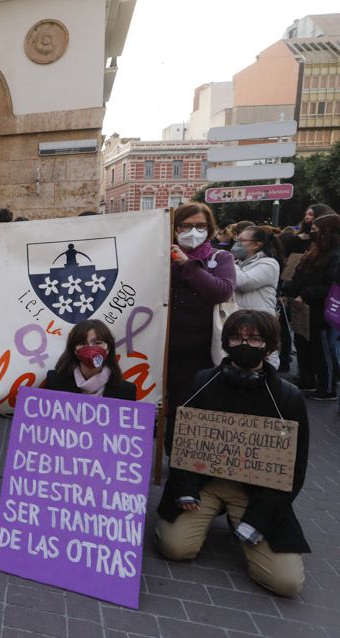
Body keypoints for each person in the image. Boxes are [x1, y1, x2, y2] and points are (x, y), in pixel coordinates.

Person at [156, 310, 309, 597]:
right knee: (174, 548)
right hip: (206, 485)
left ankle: (240, 520)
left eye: (254, 339)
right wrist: (185, 488)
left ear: (269, 345)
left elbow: (294, 467)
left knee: (286, 583)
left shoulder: (288, 398)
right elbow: (178, 439)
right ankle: (208, 514)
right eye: (237, 338)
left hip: (255, 493)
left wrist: (260, 518)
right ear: (226, 342)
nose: (244, 345)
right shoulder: (202, 382)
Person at [167, 203, 236, 437]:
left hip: (200, 350)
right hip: (160, 347)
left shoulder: (221, 258)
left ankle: (180, 466)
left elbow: (221, 291)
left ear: (210, 229)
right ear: (174, 228)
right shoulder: (159, 255)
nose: (192, 231)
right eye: (185, 226)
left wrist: (187, 264)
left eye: (200, 226)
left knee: (188, 409)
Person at [282, 214, 340, 400]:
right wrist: (289, 289)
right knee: (303, 343)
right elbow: (300, 275)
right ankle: (307, 379)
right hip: (303, 307)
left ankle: (327, 387)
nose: (311, 232)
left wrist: (305, 294)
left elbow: (330, 286)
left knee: (322, 348)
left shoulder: (335, 255)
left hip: (320, 309)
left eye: (316, 230)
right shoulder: (315, 251)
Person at [232, 225, 283, 367]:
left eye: (242, 240)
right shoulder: (238, 264)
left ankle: (270, 385)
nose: (237, 243)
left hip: (261, 321)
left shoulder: (269, 264)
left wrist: (229, 262)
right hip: (239, 319)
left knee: (265, 355)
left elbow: (243, 282)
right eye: (237, 239)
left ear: (256, 245)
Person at [44, 319, 135, 399]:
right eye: (83, 343)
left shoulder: (127, 391)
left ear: (108, 349)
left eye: (98, 343)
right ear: (75, 350)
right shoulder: (54, 382)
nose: (91, 348)